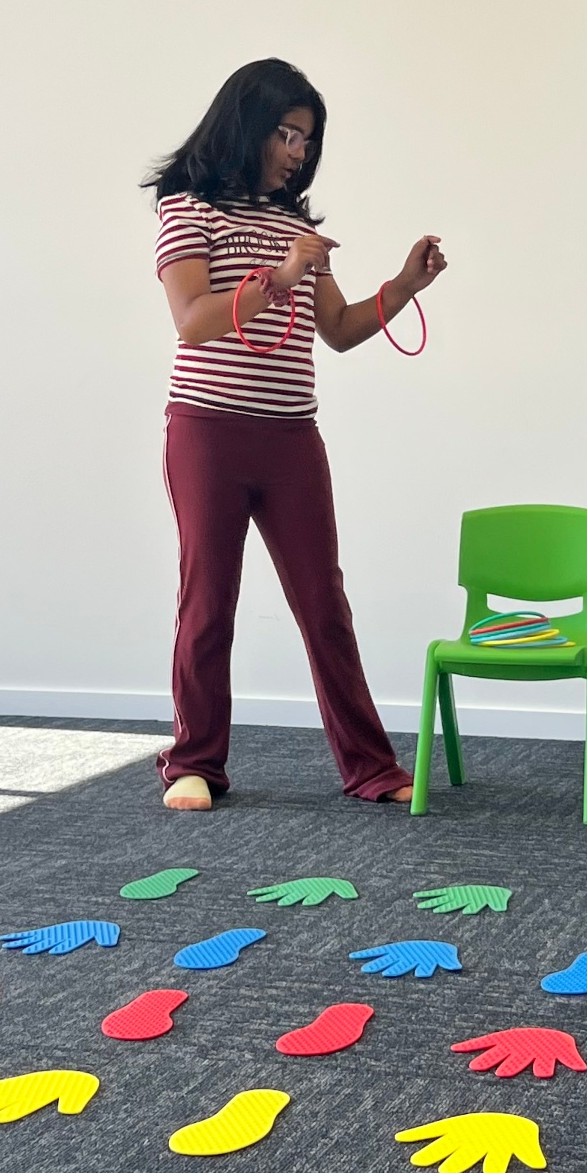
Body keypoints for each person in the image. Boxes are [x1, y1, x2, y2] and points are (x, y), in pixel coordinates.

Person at [148, 57, 446, 811]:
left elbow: (340, 331)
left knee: (324, 603)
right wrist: (277, 278)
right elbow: (191, 319)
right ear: (245, 127)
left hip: (291, 439)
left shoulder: (294, 227)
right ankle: (194, 762)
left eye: (306, 140)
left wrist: (404, 286)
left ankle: (370, 766)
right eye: (284, 134)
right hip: (208, 433)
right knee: (209, 600)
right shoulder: (188, 210)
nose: (296, 152)